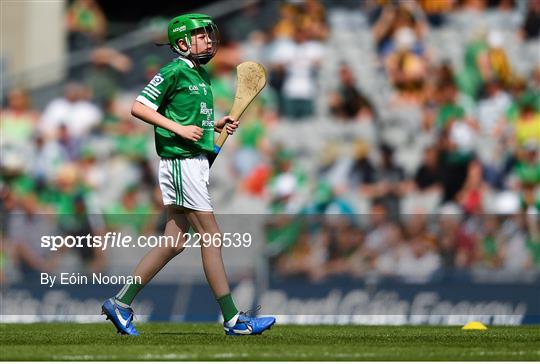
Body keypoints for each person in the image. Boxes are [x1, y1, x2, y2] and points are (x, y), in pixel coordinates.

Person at [101, 13, 275, 336]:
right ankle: (234, 320)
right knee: (212, 236)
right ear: (182, 43)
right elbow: (139, 106)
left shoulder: (200, 75)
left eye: (209, 35)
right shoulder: (174, 70)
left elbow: (191, 119)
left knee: (174, 241)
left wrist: (215, 124)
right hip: (181, 163)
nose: (209, 40)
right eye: (201, 36)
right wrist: (178, 129)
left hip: (192, 162)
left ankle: (120, 303)